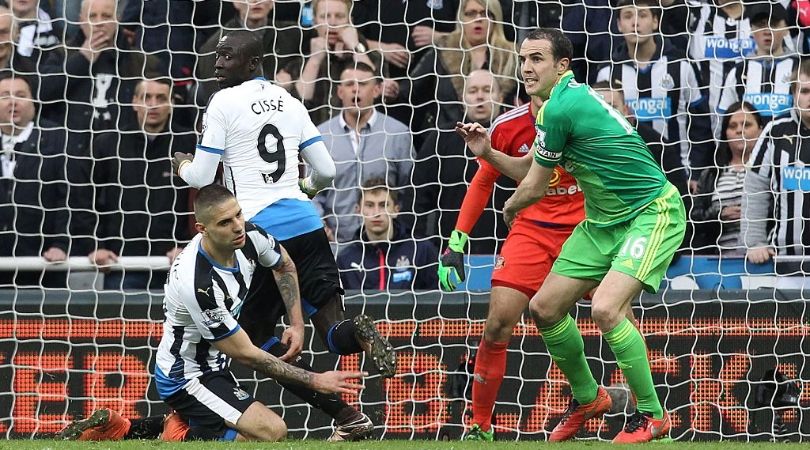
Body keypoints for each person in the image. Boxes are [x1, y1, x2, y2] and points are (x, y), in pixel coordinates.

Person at [456, 28, 685, 443]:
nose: (527, 67)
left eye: (538, 59)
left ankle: (653, 416)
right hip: (602, 222)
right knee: (544, 308)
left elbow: (532, 187)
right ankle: (587, 397)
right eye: (524, 58)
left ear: (562, 66)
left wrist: (511, 207)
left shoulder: (562, 106)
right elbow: (530, 170)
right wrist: (487, 152)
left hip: (651, 212)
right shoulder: (554, 108)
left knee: (606, 309)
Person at [171, 29, 396, 434]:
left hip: (257, 230)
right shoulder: (289, 100)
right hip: (307, 223)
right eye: (217, 56)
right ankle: (359, 338)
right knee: (334, 327)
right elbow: (326, 171)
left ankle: (345, 414)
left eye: (228, 57)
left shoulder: (222, 101)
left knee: (254, 342)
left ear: (254, 62)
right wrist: (303, 191)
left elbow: (203, 177)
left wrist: (182, 165)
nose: (219, 63)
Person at [60, 185, 366, 442]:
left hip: (214, 367)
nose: (236, 226)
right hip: (186, 375)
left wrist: (297, 324)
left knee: (240, 427)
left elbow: (283, 265)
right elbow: (248, 354)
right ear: (202, 229)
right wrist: (314, 380)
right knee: (270, 432)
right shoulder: (199, 283)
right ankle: (175, 435)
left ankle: (121, 429)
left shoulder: (248, 235)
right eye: (224, 222)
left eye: (238, 215)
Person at [439, 80, 584, 440]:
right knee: (497, 324)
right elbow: (484, 180)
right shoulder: (507, 126)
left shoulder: (586, 119)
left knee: (615, 314)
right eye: (526, 64)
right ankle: (480, 425)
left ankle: (648, 414)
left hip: (587, 229)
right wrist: (456, 242)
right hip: (531, 229)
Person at [88, 77, 196, 290]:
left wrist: (188, 247)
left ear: (171, 103)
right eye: (146, 97)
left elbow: (202, 203)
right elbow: (89, 200)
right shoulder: (109, 144)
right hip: (121, 263)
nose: (153, 104)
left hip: (176, 263)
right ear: (135, 101)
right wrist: (96, 246)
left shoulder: (189, 143)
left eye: (160, 98)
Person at [596, 0, 712, 191]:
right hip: (625, 174)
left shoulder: (681, 66)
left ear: (655, 21)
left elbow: (700, 123)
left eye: (642, 15)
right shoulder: (607, 73)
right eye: (628, 16)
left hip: (676, 173)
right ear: (618, 25)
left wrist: (695, 171)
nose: (635, 23)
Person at [413, 68, 513, 255]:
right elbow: (417, 197)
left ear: (500, 96)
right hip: (449, 250)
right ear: (462, 97)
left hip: (508, 249)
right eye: (473, 91)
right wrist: (423, 249)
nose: (480, 97)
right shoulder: (440, 138)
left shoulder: (513, 136)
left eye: (487, 90)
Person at [315, 62, 414, 245]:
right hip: (336, 244)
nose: (355, 89)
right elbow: (312, 192)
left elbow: (409, 189)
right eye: (349, 84)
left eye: (362, 84)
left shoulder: (397, 133)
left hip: (388, 243)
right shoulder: (320, 136)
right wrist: (319, 224)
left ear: (376, 90)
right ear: (339, 92)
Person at [399, 0, 517, 135]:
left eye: (485, 13)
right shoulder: (442, 51)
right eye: (471, 13)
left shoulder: (513, 56)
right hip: (448, 137)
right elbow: (407, 92)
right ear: (461, 18)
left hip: (501, 137)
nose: (478, 19)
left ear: (495, 19)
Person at [742, 59, 810, 287]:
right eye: (805, 91)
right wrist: (754, 241)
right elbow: (755, 186)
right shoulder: (776, 129)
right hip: (786, 260)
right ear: (793, 92)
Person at [0, 72, 68, 287]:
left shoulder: (60, 139)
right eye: (4, 96)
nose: (13, 102)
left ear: (33, 101)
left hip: (44, 263)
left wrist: (61, 244)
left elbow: (69, 199)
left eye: (20, 95)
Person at [196, 0, 308, 103]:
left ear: (272, 2)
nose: (256, 1)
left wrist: (292, 74)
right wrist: (273, 88)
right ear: (236, 2)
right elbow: (217, 99)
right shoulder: (214, 47)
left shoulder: (294, 34)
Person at [337, 178, 438, 291]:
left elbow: (437, 300)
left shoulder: (421, 251)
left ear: (396, 210)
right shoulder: (345, 259)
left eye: (383, 205)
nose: (376, 213)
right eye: (369, 205)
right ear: (358, 210)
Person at [294, 0, 383, 124]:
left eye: (339, 16)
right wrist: (314, 60)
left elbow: (377, 93)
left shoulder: (373, 58)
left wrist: (355, 46)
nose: (332, 23)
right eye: (325, 16)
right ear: (314, 22)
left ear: (350, 21)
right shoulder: (300, 61)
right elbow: (297, 105)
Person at [693, 101, 763, 255]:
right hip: (716, 263)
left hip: (761, 260)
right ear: (725, 133)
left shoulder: (771, 170)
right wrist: (718, 216)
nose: (739, 130)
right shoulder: (710, 174)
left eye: (746, 125)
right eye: (733, 126)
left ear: (760, 130)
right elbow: (694, 220)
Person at [717, 3, 797, 122]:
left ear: (786, 29)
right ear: (752, 29)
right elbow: (723, 120)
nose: (767, 31)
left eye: (773, 24)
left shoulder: (799, 68)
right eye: (761, 25)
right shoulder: (738, 71)